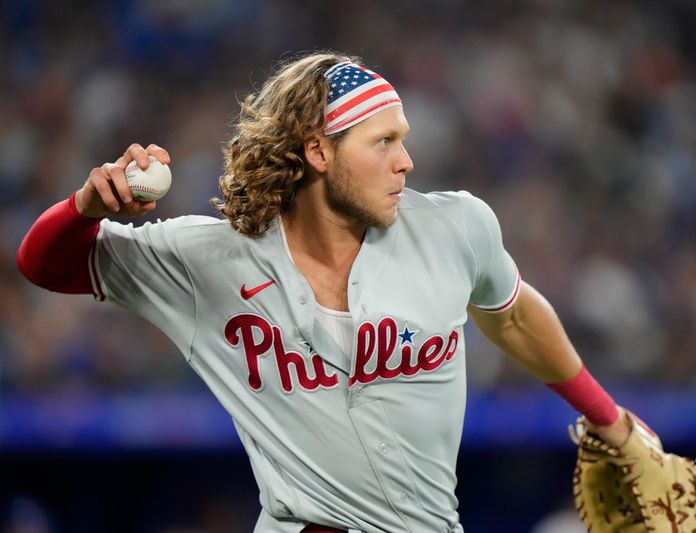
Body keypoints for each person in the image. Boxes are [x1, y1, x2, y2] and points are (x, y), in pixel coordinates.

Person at [17, 51, 633, 533]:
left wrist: (611, 420)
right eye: (383, 142)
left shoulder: (456, 227)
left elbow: (515, 316)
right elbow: (44, 264)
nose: (407, 161)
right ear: (318, 151)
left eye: (404, 137)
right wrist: (84, 207)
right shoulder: (210, 258)